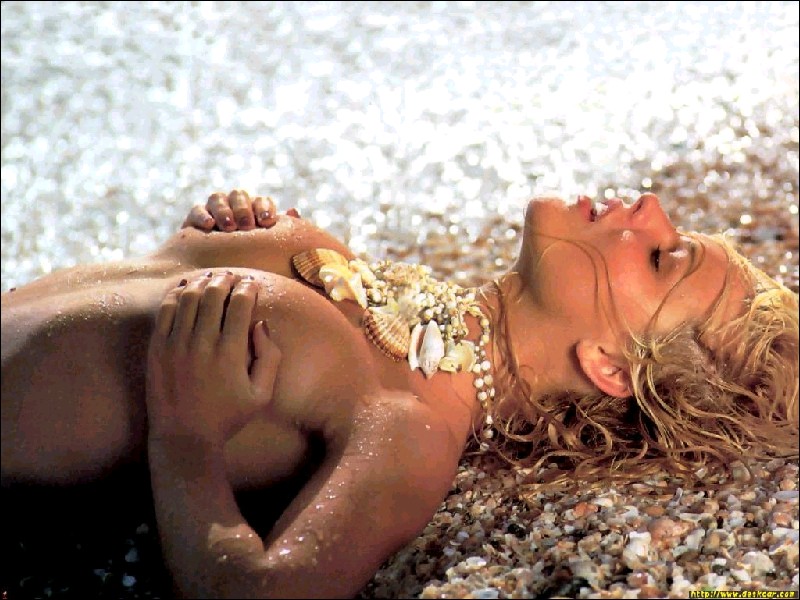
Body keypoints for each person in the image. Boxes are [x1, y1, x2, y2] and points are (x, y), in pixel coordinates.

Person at [2, 189, 797, 598]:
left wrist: (186, 439)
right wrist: (200, 242)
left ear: (610, 368)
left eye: (660, 259)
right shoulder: (375, 295)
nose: (650, 209)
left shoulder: (411, 429)